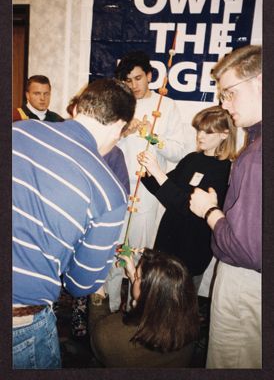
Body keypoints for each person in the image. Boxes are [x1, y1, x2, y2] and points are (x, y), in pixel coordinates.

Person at [12, 78, 136, 369]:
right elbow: (81, 284)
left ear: (77, 107)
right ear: (120, 126)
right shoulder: (109, 191)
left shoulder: (18, 132)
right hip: (19, 324)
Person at [189, 45, 262, 368]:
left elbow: (246, 249)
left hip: (247, 284)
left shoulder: (257, 154)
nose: (223, 103)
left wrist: (210, 211)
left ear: (260, 83)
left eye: (230, 93)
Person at [105, 50, 186, 312]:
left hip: (148, 191)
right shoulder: (119, 102)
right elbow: (101, 146)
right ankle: (110, 306)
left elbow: (177, 151)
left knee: (139, 251)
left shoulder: (168, 106)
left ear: (150, 76)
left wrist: (151, 136)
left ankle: (134, 308)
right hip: (117, 186)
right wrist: (125, 130)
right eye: (128, 80)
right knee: (114, 248)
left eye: (138, 78)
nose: (133, 85)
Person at [138, 106, 236, 291]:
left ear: (224, 134)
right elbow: (165, 189)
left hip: (193, 246)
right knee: (157, 297)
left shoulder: (225, 170)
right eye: (200, 129)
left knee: (182, 304)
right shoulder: (192, 159)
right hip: (169, 239)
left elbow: (187, 206)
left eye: (209, 131)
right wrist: (145, 172)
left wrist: (157, 172)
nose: (201, 135)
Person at [63, 93, 130, 337]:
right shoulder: (70, 148)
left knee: (103, 269)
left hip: (100, 222)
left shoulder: (115, 154)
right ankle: (80, 317)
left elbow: (123, 189)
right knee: (75, 269)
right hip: (74, 222)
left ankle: (106, 316)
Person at [89, 248, 199, 368]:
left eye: (138, 277)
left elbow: (96, 332)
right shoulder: (189, 325)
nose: (135, 275)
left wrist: (97, 290)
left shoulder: (114, 335)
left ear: (147, 292)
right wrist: (133, 276)